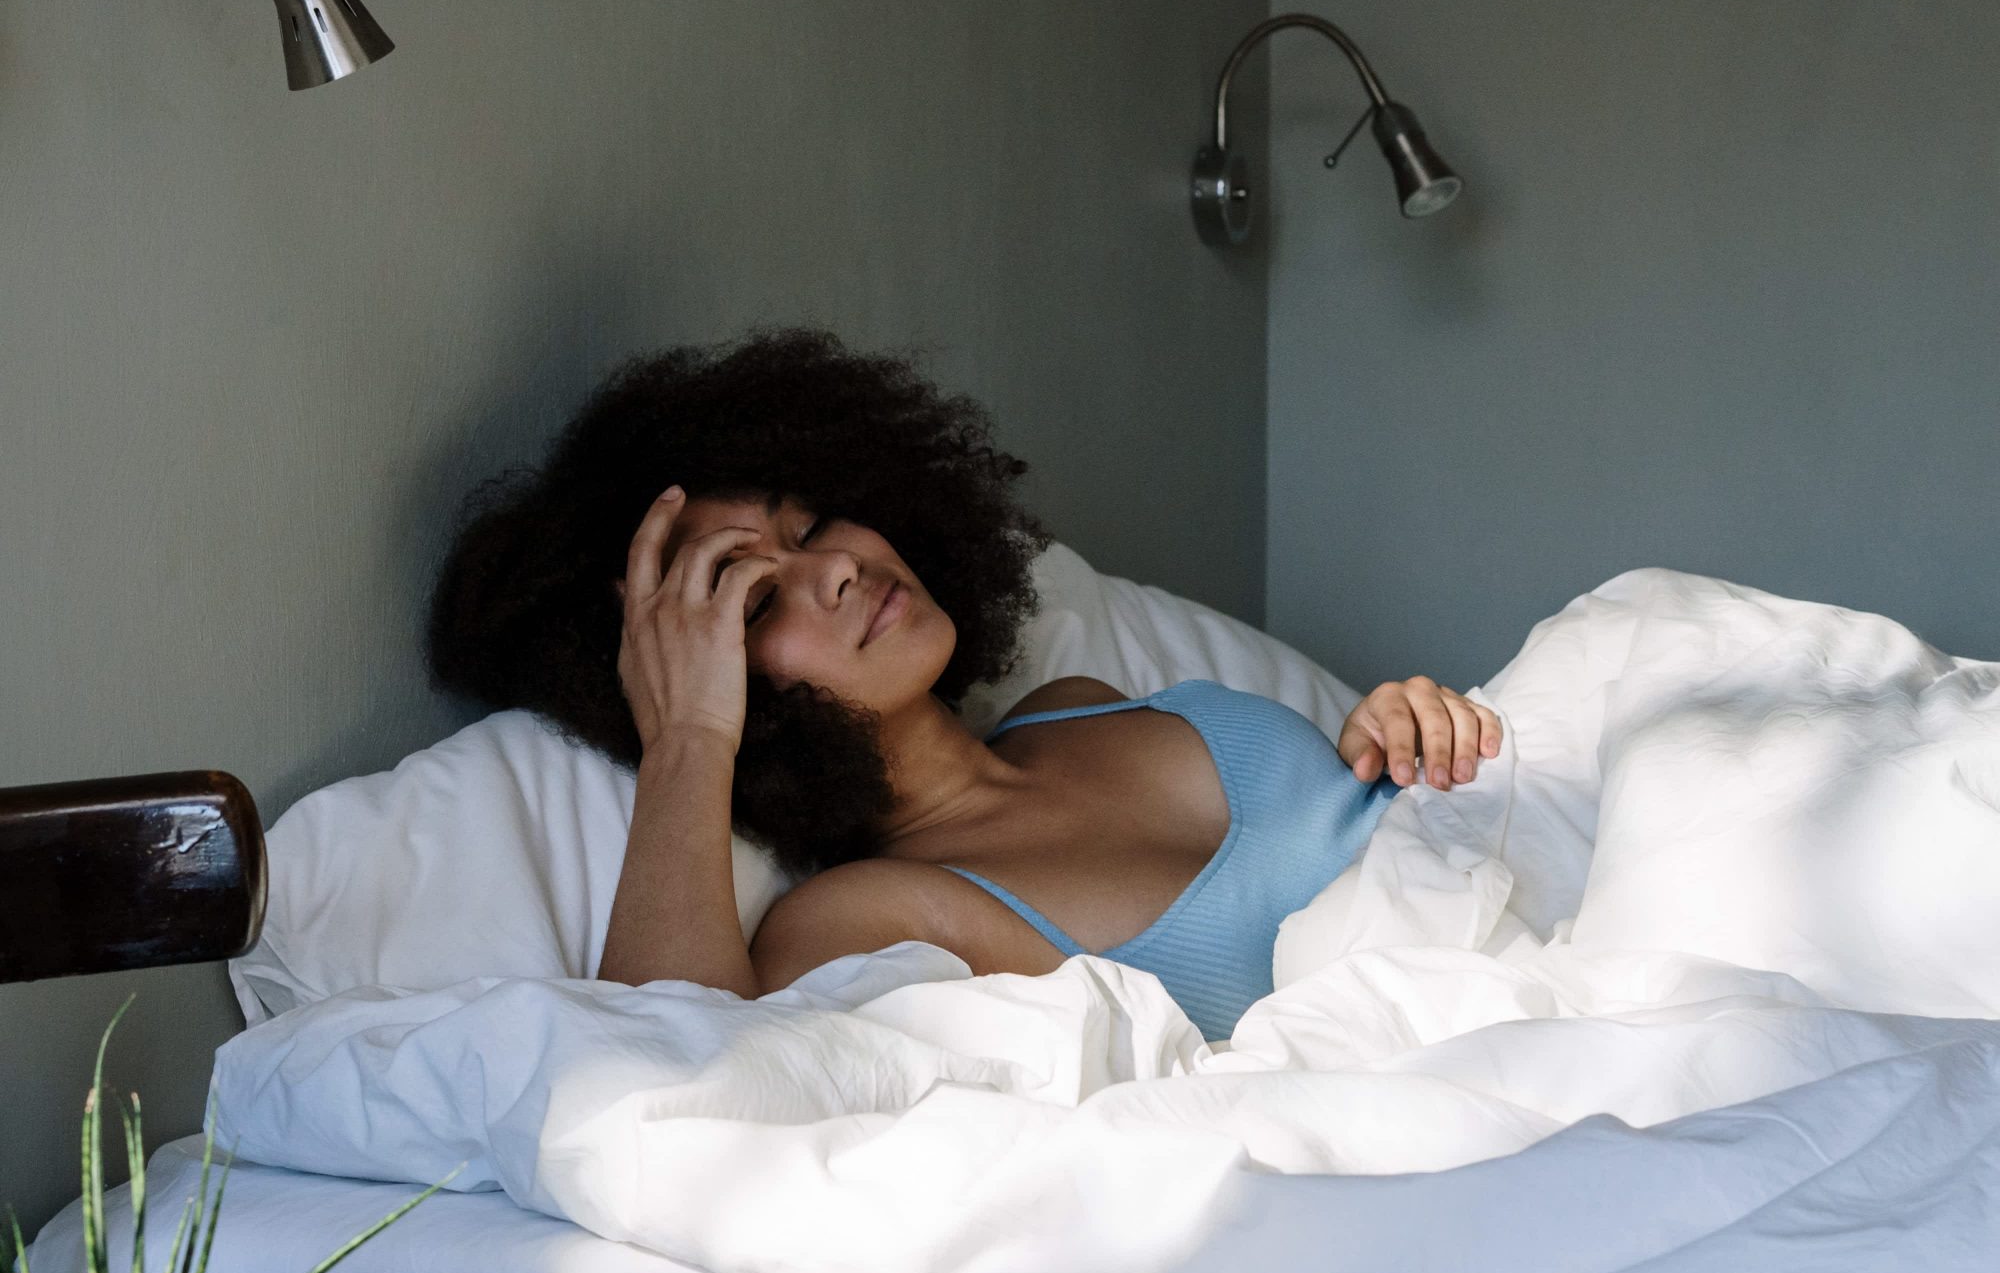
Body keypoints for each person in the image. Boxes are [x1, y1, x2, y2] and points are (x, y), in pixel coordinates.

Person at [428, 327, 1500, 1041]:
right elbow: (671, 1069)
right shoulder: (865, 914)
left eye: (812, 524)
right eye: (756, 603)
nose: (836, 566)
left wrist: (1395, 735)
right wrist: (687, 739)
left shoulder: (1079, 702)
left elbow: (1389, 855)